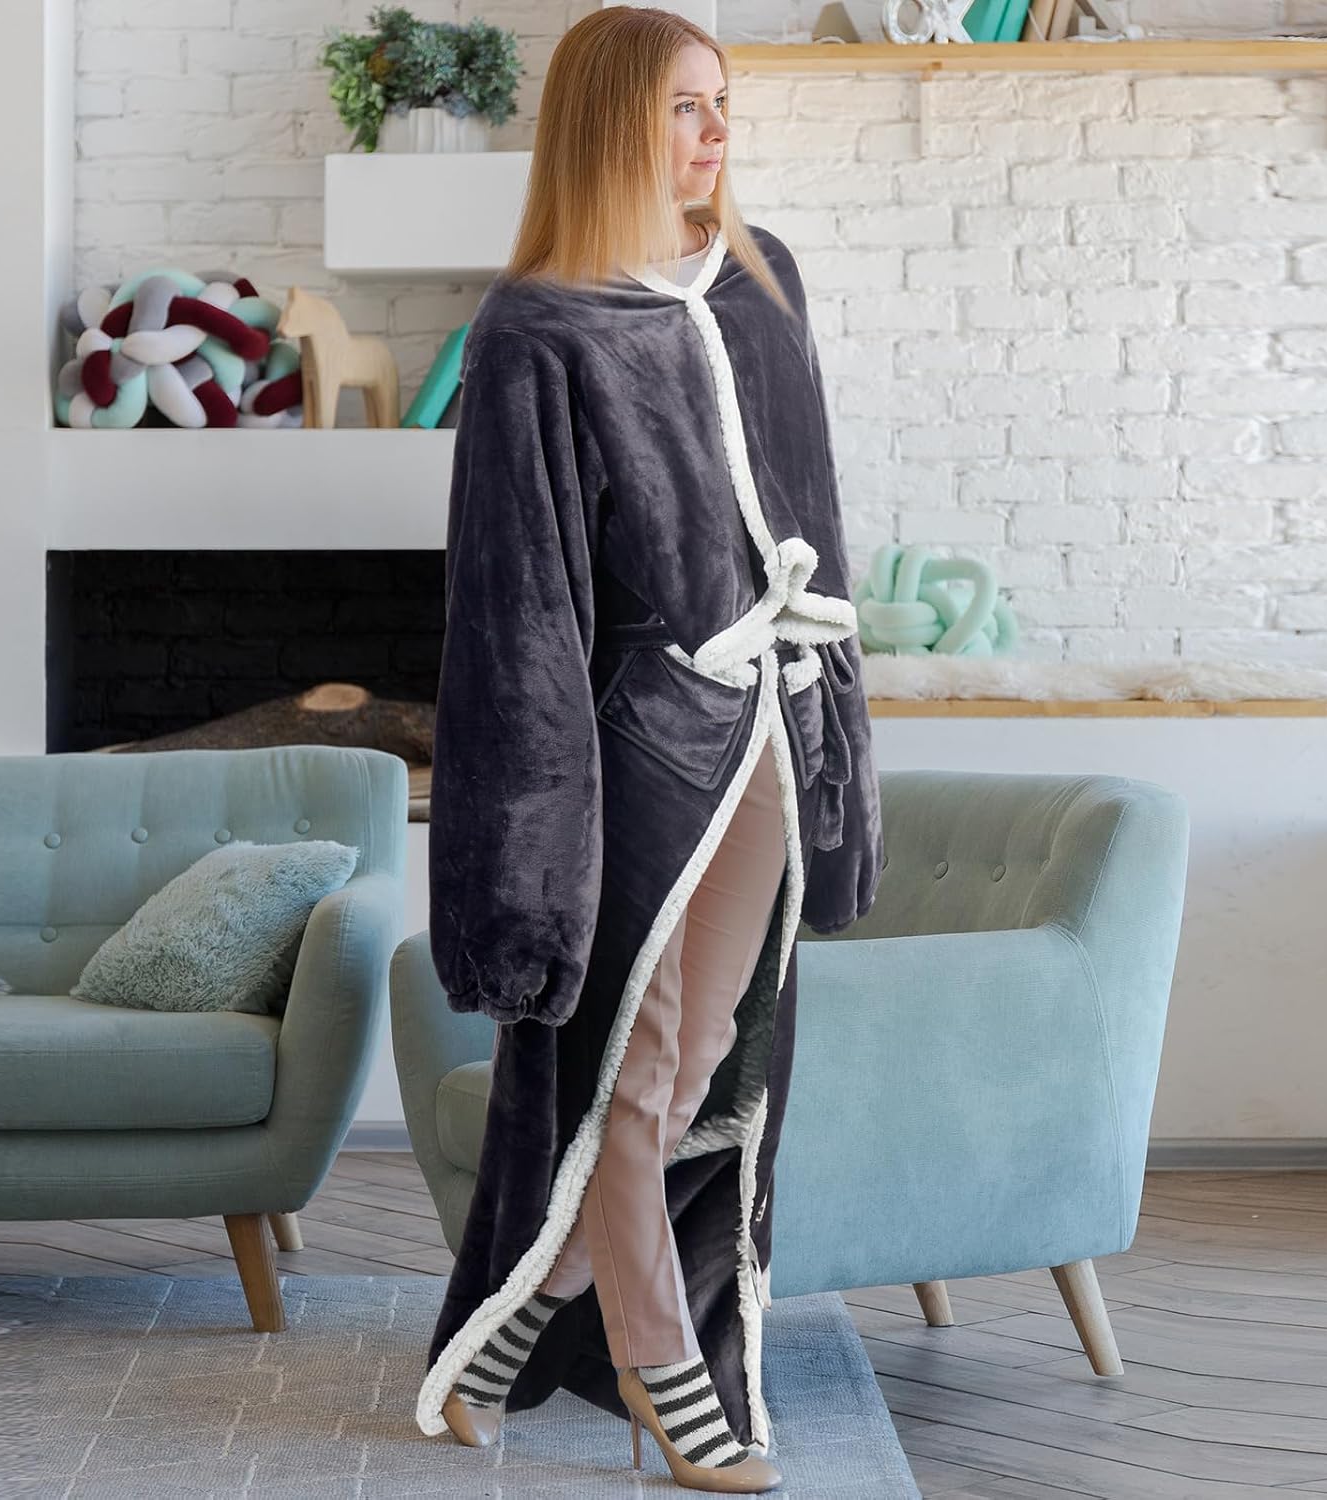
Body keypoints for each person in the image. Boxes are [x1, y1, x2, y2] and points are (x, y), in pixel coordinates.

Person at [415, 6, 884, 1493]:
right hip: (635, 750)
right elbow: (517, 605)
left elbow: (818, 519)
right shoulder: (533, 329)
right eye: (686, 105)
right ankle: (663, 1365)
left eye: (722, 101)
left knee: (702, 1062)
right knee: (629, 1062)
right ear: (613, 121)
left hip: (773, 727)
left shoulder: (760, 278)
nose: (717, 131)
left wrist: (837, 735)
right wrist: (525, 842)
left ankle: (514, 1320)